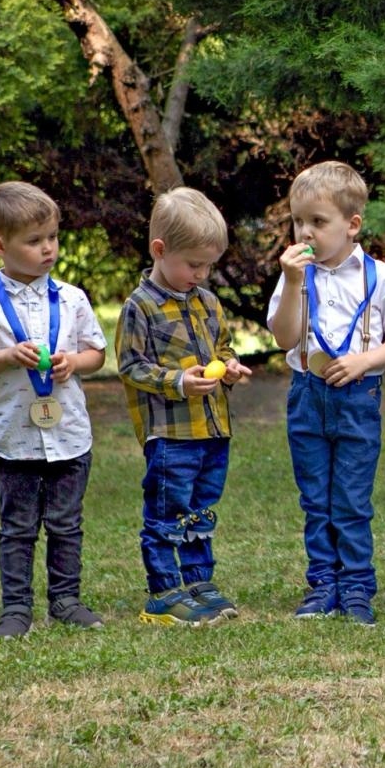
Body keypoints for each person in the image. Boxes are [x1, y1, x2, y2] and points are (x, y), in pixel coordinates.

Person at [0, 182, 108, 638]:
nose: (48, 248)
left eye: (52, 237)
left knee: (66, 524)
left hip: (69, 435)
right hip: (12, 436)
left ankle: (66, 600)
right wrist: (5, 356)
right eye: (34, 240)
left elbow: (96, 354)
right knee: (18, 527)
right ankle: (16, 609)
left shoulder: (72, 298)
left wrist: (74, 362)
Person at [267, 161, 385, 623]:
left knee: (350, 498)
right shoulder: (295, 275)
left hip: (357, 399)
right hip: (307, 395)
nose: (305, 232)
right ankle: (322, 583)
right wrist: (292, 282)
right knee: (315, 498)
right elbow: (284, 338)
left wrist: (365, 361)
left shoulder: (381, 277)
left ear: (352, 225)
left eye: (318, 221)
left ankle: (356, 586)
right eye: (298, 221)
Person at [117, 187, 252, 626]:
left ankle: (198, 582)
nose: (202, 273)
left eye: (209, 265)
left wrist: (229, 367)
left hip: (212, 429)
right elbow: (131, 366)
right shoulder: (140, 307)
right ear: (160, 250)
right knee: (167, 512)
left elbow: (222, 348)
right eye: (194, 264)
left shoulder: (208, 302)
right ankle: (163, 592)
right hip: (171, 434)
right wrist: (178, 381)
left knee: (200, 510)